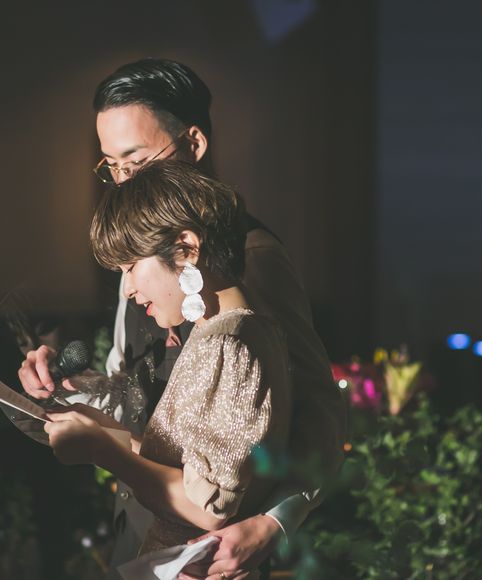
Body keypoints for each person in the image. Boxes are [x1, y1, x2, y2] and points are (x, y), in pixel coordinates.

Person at [19, 58, 345, 579]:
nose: (123, 181)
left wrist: (275, 523)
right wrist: (69, 386)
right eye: (112, 167)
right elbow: (135, 390)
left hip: (214, 545)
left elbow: (319, 409)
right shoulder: (143, 257)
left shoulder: (250, 257)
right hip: (143, 523)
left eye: (136, 161)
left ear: (193, 143)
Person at [45, 160, 292, 580]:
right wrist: (105, 430)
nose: (127, 289)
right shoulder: (232, 332)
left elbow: (207, 507)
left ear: (186, 248)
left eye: (130, 267)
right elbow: (190, 469)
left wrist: (102, 452)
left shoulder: (228, 345)